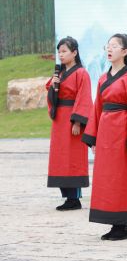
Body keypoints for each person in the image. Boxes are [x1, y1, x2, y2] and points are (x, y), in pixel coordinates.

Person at [82, 33, 127, 240]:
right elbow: (97, 108)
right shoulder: (103, 78)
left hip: (123, 132)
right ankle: (114, 222)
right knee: (108, 178)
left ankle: (124, 224)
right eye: (107, 46)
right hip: (105, 134)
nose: (109, 49)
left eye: (114, 46)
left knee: (122, 177)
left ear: (125, 51)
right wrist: (93, 137)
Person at [46, 36, 93, 211]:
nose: (61, 55)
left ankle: (74, 198)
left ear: (74, 53)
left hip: (72, 120)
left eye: (64, 51)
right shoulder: (59, 74)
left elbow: (84, 98)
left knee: (72, 157)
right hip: (60, 120)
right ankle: (67, 196)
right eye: (59, 52)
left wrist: (78, 122)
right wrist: (53, 87)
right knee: (60, 157)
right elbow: (51, 94)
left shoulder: (81, 73)